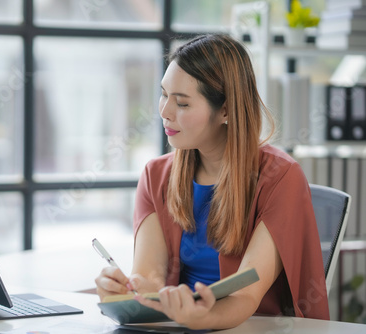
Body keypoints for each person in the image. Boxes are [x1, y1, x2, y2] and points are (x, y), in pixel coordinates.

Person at [95, 33, 329, 330]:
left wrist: (200, 317)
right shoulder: (156, 176)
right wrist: (121, 290)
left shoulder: (280, 177)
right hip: (178, 324)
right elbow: (149, 278)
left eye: (182, 103)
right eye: (164, 94)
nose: (165, 112)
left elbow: (245, 295)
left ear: (226, 111)